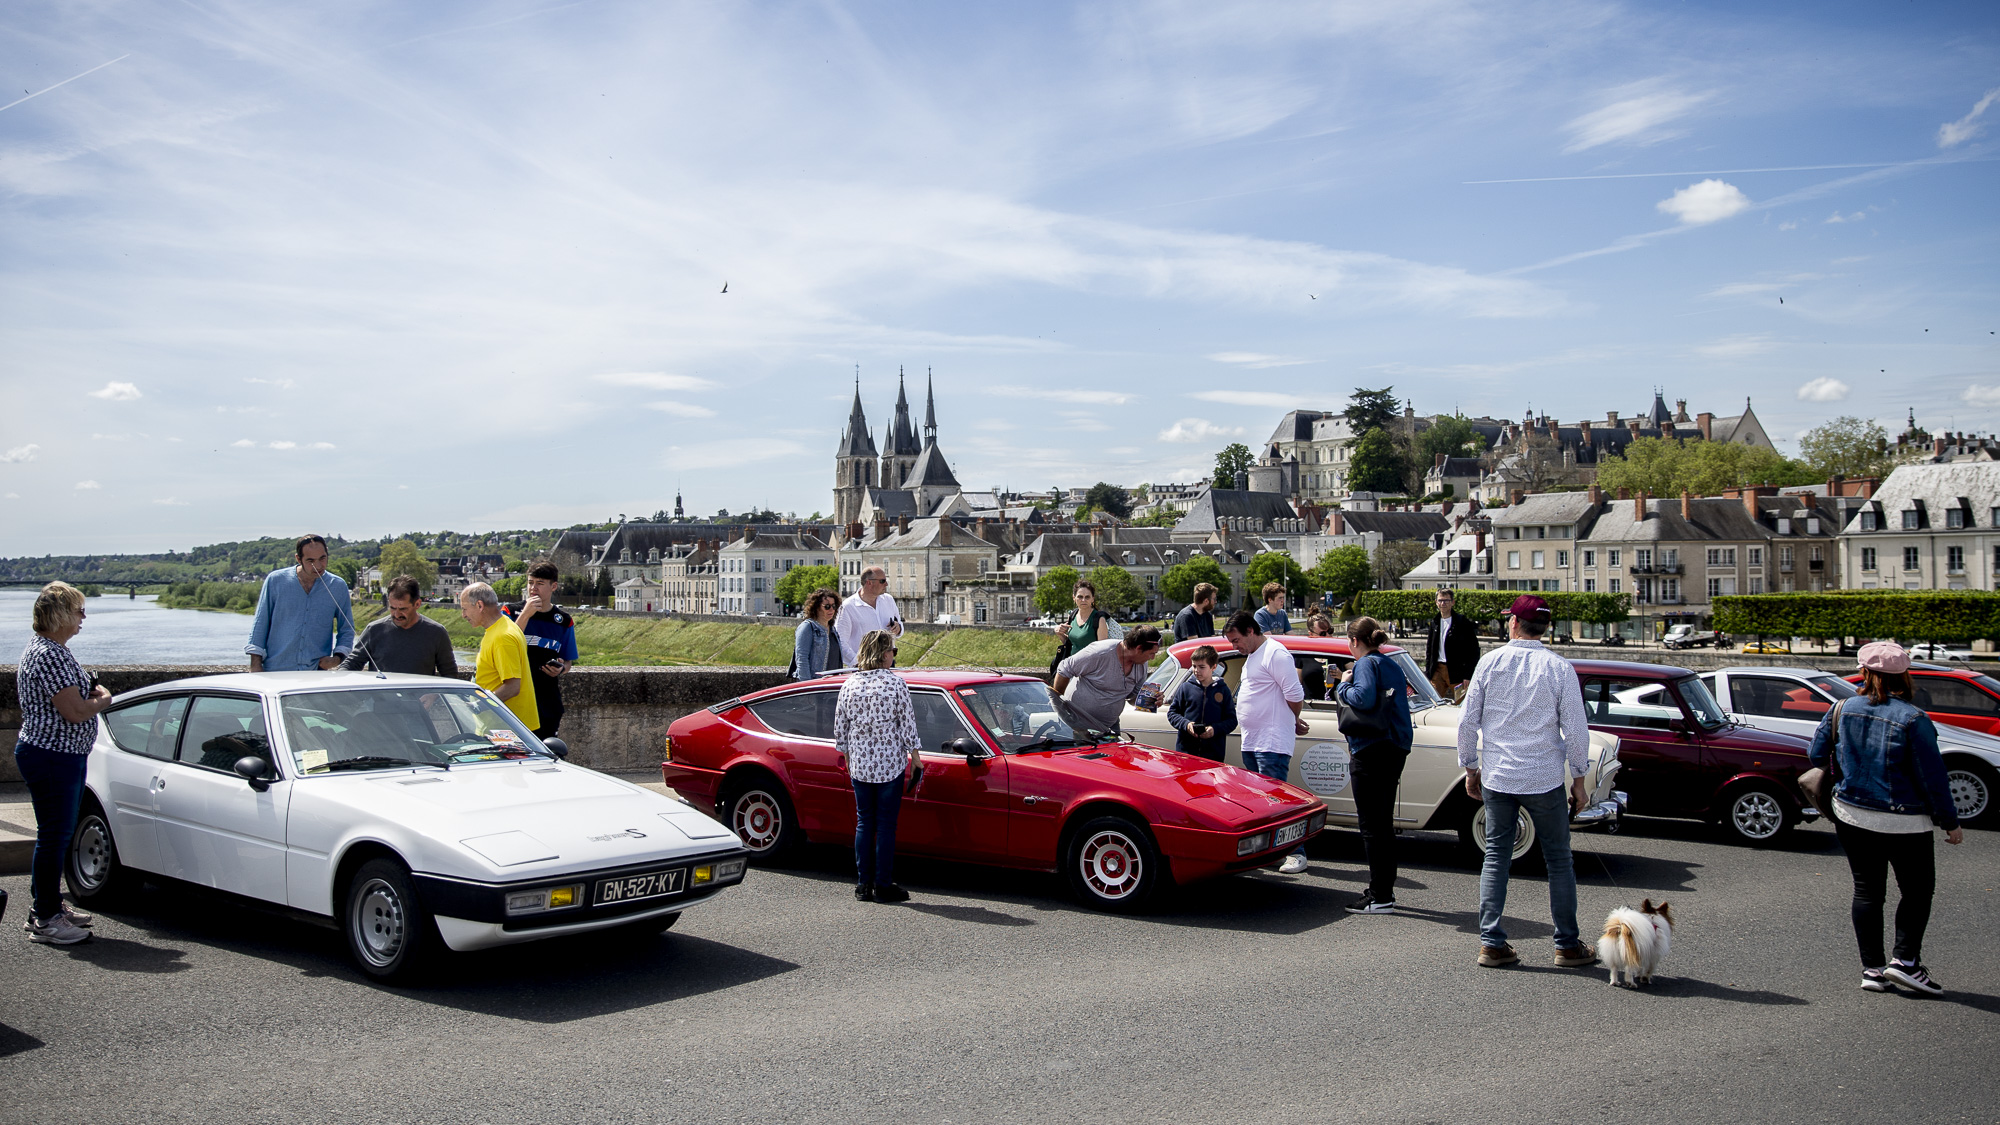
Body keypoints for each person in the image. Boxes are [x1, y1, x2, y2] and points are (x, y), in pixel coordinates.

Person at [1808, 642, 1964, 996]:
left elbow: (1816, 754)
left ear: (1864, 673)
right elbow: (1933, 778)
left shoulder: (1841, 708)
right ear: (1904, 677)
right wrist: (1949, 822)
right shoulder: (1914, 719)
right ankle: (1905, 962)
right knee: (1917, 891)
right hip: (1904, 822)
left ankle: (1873, 970)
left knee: (1867, 891)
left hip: (1851, 815)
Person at [1457, 595, 1597, 969]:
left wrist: (1470, 768)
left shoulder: (1490, 662)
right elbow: (1576, 730)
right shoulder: (1559, 668)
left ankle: (1492, 942)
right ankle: (1567, 944)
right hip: (1543, 776)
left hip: (1500, 775)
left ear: (1514, 624)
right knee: (1559, 860)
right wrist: (1579, 780)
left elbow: (1468, 722)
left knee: (1496, 857)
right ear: (1545, 628)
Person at [15, 582, 106, 945]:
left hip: (59, 754)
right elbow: (75, 710)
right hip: (53, 756)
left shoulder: (52, 650)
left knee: (54, 835)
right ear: (60, 615)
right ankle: (46, 917)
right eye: (79, 610)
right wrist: (104, 698)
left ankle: (46, 906)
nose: (83, 617)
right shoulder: (49, 655)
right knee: (54, 836)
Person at [1334, 616, 1414, 915]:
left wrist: (1342, 686)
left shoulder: (1365, 664)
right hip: (1394, 746)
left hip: (1371, 748)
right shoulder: (1390, 662)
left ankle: (1380, 894)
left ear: (1355, 641)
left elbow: (1363, 699)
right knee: (1383, 824)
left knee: (1372, 826)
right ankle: (1384, 890)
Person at [835, 630, 921, 904]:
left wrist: (847, 754)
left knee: (864, 823)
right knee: (885, 827)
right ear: (884, 653)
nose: (894, 656)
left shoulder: (849, 685)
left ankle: (863, 884)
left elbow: (840, 727)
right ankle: (883, 885)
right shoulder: (896, 685)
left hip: (860, 764)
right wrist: (915, 756)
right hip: (889, 765)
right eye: (893, 651)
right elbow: (907, 725)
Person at [1224, 610, 1311, 874]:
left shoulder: (1275, 653)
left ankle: (1296, 853)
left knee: (1277, 801)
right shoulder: (1253, 655)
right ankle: (1270, 851)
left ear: (1251, 631)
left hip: (1271, 741)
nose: (1234, 646)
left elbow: (1295, 693)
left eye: (1236, 640)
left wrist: (1291, 718)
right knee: (1259, 802)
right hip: (1253, 740)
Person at [246, 534, 354, 671]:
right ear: (298, 558)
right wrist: (255, 664)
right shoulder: (275, 581)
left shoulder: (338, 586)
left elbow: (347, 628)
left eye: (322, 558)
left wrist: (337, 658)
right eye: (311, 561)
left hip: (316, 674)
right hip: (275, 671)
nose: (318, 566)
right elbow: (260, 624)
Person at [503, 558, 578, 737]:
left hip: (546, 702)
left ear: (553, 587)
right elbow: (505, 642)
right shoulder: (509, 611)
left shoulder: (563, 621)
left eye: (540, 583)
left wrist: (560, 669)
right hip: (514, 700)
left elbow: (568, 661)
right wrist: (526, 614)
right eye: (530, 583)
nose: (533, 588)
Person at [458, 582, 539, 734]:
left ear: (480, 605)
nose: (463, 615)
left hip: (504, 731)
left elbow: (512, 686)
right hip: (503, 727)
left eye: (464, 609)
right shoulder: (502, 627)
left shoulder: (502, 637)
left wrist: (479, 706)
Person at [1053, 626, 1163, 735]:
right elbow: (1064, 669)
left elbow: (1132, 697)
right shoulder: (1100, 652)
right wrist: (1059, 709)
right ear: (1139, 648)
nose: (1152, 658)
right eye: (1152, 653)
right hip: (1077, 724)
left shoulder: (1142, 664)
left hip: (1109, 726)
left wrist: (1151, 701)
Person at [342, 574, 456, 677]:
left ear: (417, 604)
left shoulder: (437, 633)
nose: (396, 614)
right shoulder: (374, 630)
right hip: (381, 699)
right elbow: (352, 664)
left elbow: (449, 672)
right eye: (392, 608)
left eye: (403, 609)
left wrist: (434, 694)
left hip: (419, 699)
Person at [1167, 645, 1236, 762]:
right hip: (1186, 752)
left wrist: (1215, 729)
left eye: (1201, 667)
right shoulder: (1185, 688)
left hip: (1213, 754)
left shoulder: (1223, 690)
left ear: (1213, 667)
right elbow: (1172, 713)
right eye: (1194, 666)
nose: (1196, 670)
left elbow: (1232, 720)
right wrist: (1187, 725)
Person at [835, 566, 903, 664]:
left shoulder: (888, 600)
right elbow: (840, 641)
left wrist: (898, 628)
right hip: (863, 666)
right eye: (882, 581)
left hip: (888, 663)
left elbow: (900, 626)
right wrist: (857, 662)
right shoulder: (848, 606)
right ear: (869, 582)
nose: (886, 584)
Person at [1423, 588, 1479, 703]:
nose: (1443, 603)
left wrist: (1468, 675)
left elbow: (1473, 650)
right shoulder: (1434, 622)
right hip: (1437, 670)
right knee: (1433, 702)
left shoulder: (1462, 622)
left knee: (1462, 703)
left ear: (1452, 602)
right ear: (1436, 602)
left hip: (1457, 671)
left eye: (1446, 600)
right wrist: (1428, 674)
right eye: (1440, 600)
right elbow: (1430, 650)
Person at [1055, 579, 1113, 662]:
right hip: (1072, 665)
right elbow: (1072, 643)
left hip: (1090, 668)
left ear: (1093, 599)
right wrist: (1059, 633)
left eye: (1087, 597)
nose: (1083, 600)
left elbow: (1102, 651)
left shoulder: (1099, 619)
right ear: (1074, 598)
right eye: (1080, 596)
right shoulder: (1072, 615)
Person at [793, 588, 842, 680]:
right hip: (816, 685)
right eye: (827, 606)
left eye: (834, 606)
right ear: (816, 607)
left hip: (832, 684)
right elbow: (801, 659)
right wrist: (807, 687)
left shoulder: (832, 630)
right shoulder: (807, 627)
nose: (831, 609)